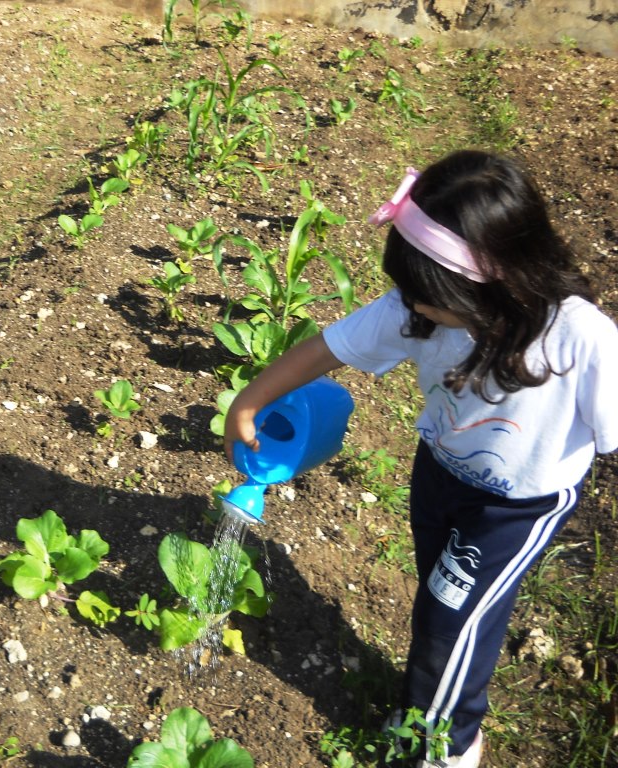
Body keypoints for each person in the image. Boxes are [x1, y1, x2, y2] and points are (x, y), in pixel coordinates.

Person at [224, 150, 618, 767]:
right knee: (447, 600)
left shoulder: (581, 339)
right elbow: (329, 347)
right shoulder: (420, 310)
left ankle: (441, 746)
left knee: (448, 618)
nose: (411, 307)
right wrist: (250, 400)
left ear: (497, 279)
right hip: (439, 471)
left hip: (521, 504)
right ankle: (439, 706)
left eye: (425, 296)